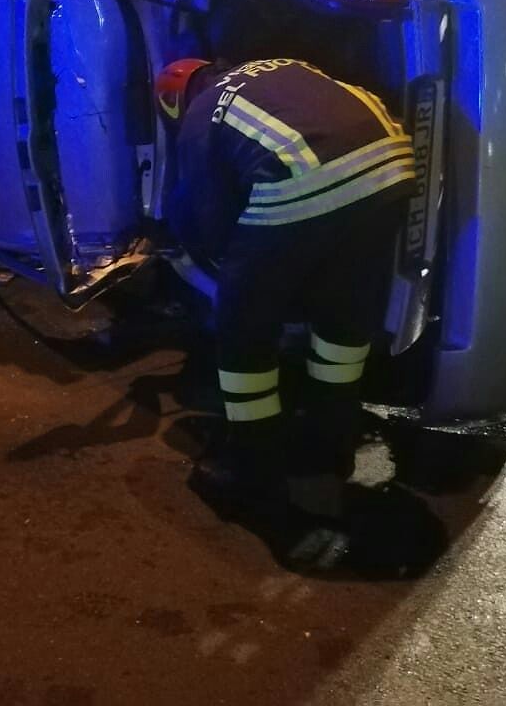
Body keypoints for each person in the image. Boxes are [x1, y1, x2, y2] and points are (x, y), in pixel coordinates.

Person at [156, 56, 417, 572]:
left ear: (173, 100)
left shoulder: (200, 113)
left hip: (308, 174)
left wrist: (220, 265)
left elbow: (209, 217)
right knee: (345, 309)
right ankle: (331, 436)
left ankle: (251, 463)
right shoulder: (273, 68)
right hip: (392, 163)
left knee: (241, 322)